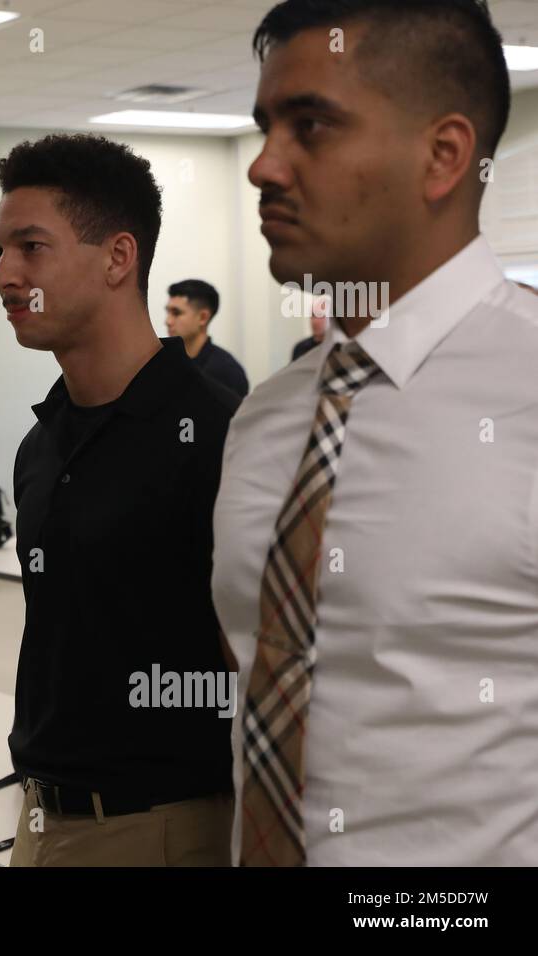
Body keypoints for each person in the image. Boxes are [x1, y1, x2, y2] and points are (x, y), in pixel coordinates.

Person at [213, 0, 536, 865]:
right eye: (265, 127)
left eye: (310, 126)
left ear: (443, 156)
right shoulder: (268, 417)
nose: (263, 168)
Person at [0, 133, 237, 866]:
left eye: (30, 247)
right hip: (41, 813)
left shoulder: (223, 438)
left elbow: (266, 668)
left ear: (117, 258)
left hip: (161, 826)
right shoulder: (43, 443)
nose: (4, 275)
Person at [165, 279, 250, 398]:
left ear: (203, 317)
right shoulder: (165, 363)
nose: (168, 321)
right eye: (168, 312)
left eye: (176, 313)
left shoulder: (227, 371)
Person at [290, 295, 329, 361]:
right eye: (313, 315)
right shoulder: (300, 349)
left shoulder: (338, 349)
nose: (315, 321)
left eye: (321, 315)